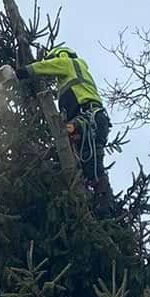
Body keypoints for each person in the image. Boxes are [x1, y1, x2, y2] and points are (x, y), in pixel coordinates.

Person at [26, 43, 111, 189]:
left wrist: (22, 71)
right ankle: (100, 198)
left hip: (87, 117)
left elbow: (45, 66)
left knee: (90, 163)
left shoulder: (68, 63)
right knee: (91, 167)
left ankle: (101, 199)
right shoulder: (76, 73)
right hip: (95, 120)